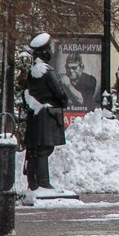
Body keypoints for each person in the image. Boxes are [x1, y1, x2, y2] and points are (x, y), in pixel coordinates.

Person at [23, 33, 70, 192]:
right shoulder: (48, 71)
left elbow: (27, 91)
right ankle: (43, 182)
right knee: (44, 149)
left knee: (35, 150)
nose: (51, 51)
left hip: (35, 115)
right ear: (44, 52)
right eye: (49, 49)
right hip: (47, 115)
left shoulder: (32, 71)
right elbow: (60, 93)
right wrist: (63, 101)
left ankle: (34, 182)